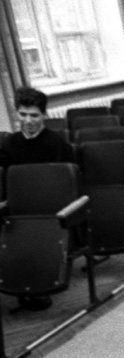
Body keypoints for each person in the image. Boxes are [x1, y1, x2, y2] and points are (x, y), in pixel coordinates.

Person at [0, 86, 75, 311]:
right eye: (23, 115)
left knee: (33, 233)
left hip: (49, 210)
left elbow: (66, 187)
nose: (28, 121)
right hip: (17, 209)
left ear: (44, 115)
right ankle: (19, 285)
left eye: (34, 115)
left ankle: (37, 287)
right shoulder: (9, 144)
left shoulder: (57, 145)